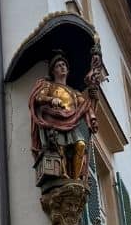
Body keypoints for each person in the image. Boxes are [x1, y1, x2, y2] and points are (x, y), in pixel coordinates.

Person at [28, 51, 97, 183]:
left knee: (81, 145)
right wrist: (51, 100)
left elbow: (86, 107)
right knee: (59, 147)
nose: (62, 67)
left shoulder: (74, 92)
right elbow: (38, 97)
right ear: (53, 71)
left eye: (64, 65)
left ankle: (76, 178)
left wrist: (94, 98)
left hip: (72, 122)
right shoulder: (49, 86)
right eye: (59, 65)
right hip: (54, 120)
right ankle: (63, 174)